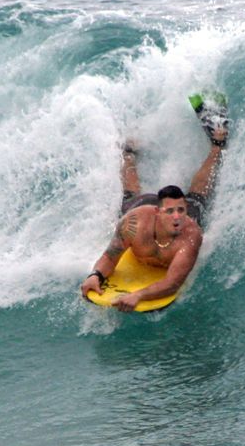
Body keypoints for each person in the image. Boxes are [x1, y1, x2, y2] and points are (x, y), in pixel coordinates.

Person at [79, 102, 228, 312]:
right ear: (158, 212)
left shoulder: (190, 235)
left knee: (199, 196)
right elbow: (109, 257)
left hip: (170, 231)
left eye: (180, 210)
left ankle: (217, 145)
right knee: (130, 195)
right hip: (142, 208)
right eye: (170, 211)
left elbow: (173, 283)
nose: (177, 217)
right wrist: (95, 276)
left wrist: (138, 295)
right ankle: (129, 152)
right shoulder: (133, 223)